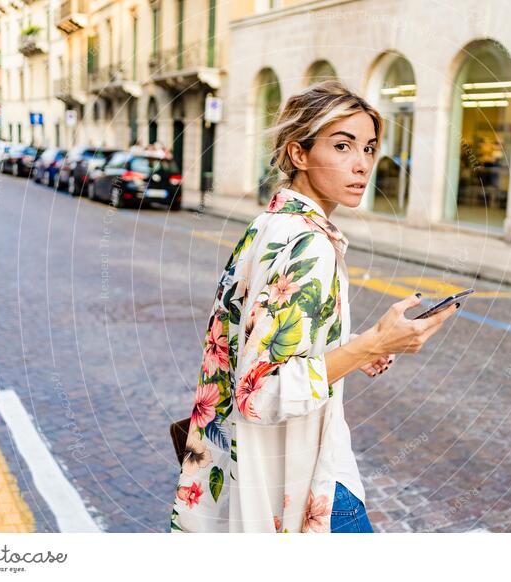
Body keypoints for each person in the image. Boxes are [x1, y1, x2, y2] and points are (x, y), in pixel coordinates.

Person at [170, 80, 458, 533]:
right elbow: (259, 393)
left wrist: (355, 346)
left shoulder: (270, 224)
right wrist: (371, 345)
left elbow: (266, 345)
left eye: (368, 147)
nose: (362, 164)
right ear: (298, 154)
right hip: (307, 485)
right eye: (342, 146)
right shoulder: (307, 243)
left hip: (285, 467)